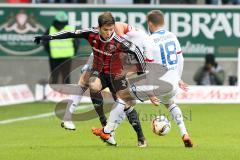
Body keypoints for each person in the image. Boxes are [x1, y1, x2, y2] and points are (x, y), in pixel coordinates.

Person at [34, 12, 147, 147]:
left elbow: (137, 51)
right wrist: (48, 37)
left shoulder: (119, 41)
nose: (109, 32)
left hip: (116, 75)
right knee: (92, 85)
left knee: (127, 106)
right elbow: (71, 33)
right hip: (99, 72)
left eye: (111, 29)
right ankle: (104, 124)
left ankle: (141, 137)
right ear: (99, 27)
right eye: (106, 30)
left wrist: (141, 70)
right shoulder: (91, 33)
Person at [145, 10, 193, 147]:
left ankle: (109, 131)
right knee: (170, 103)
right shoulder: (172, 36)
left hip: (158, 84)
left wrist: (150, 92)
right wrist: (179, 78)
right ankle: (184, 133)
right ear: (163, 22)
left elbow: (148, 69)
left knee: (124, 97)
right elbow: (180, 59)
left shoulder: (149, 40)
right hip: (173, 85)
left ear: (149, 23)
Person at [43, 11, 78, 84]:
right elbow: (76, 43)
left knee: (54, 77)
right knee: (66, 77)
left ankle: (53, 94)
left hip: (54, 57)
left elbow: (44, 42)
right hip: (67, 57)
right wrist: (73, 52)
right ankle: (67, 94)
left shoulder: (50, 29)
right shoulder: (71, 29)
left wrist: (50, 52)